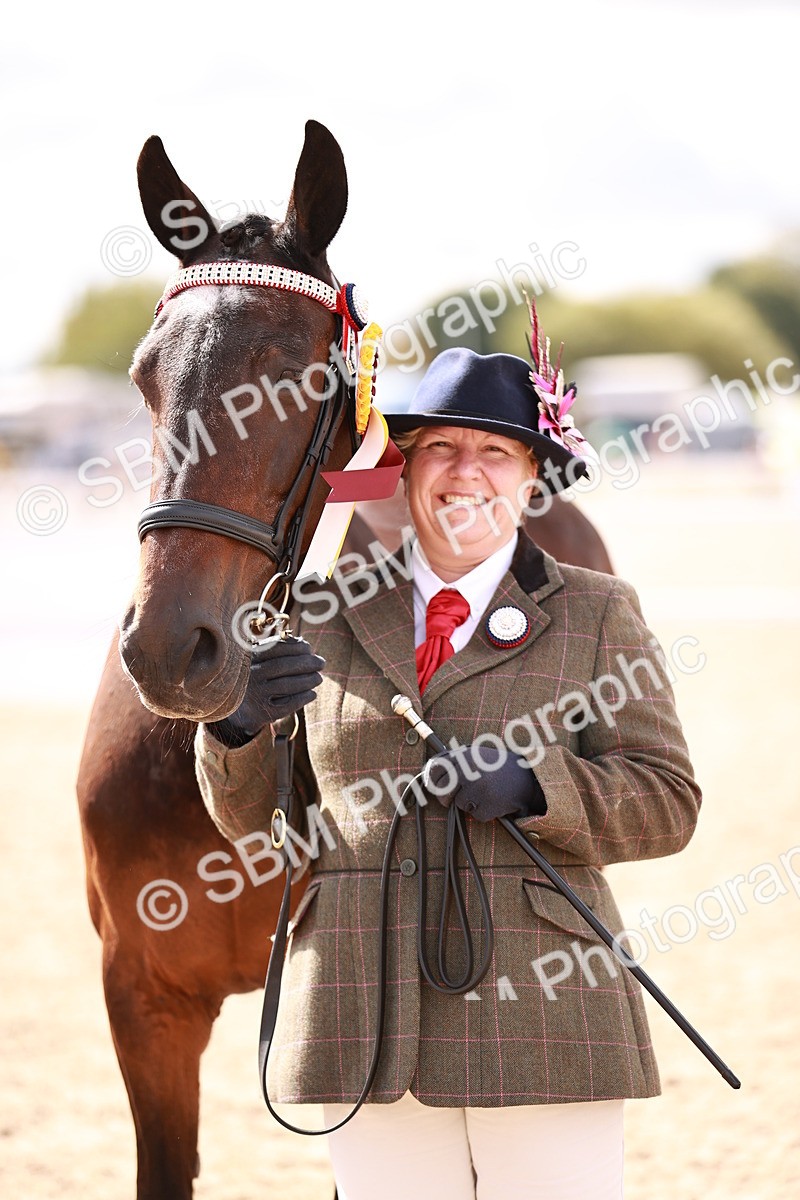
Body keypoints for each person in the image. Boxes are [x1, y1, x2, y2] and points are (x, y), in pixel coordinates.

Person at [194, 344, 702, 1200]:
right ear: (405, 470)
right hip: (364, 1008)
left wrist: (539, 785)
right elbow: (261, 829)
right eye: (440, 448)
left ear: (531, 478)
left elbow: (670, 801)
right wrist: (233, 730)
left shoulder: (597, 610)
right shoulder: (316, 613)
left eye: (496, 452)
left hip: (541, 1011)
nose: (467, 472)